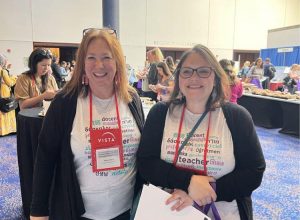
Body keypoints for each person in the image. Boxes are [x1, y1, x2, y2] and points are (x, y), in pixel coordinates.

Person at [137, 44, 265, 220]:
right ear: (179, 76)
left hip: (224, 213)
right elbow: (146, 163)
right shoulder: (160, 114)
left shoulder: (237, 117)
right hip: (170, 212)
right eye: (187, 71)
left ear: (215, 77)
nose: (194, 78)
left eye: (203, 71)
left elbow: (253, 172)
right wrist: (188, 182)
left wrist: (207, 191)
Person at [30, 28, 144, 220]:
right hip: (79, 212)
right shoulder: (65, 102)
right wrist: (38, 211)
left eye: (106, 57)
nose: (99, 65)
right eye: (91, 57)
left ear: (118, 61)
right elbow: (45, 158)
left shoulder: (131, 98)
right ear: (82, 63)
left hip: (128, 211)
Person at [0, 53, 17, 136]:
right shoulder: (3, 71)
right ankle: (6, 130)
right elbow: (10, 83)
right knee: (6, 108)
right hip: (4, 91)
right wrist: (15, 77)